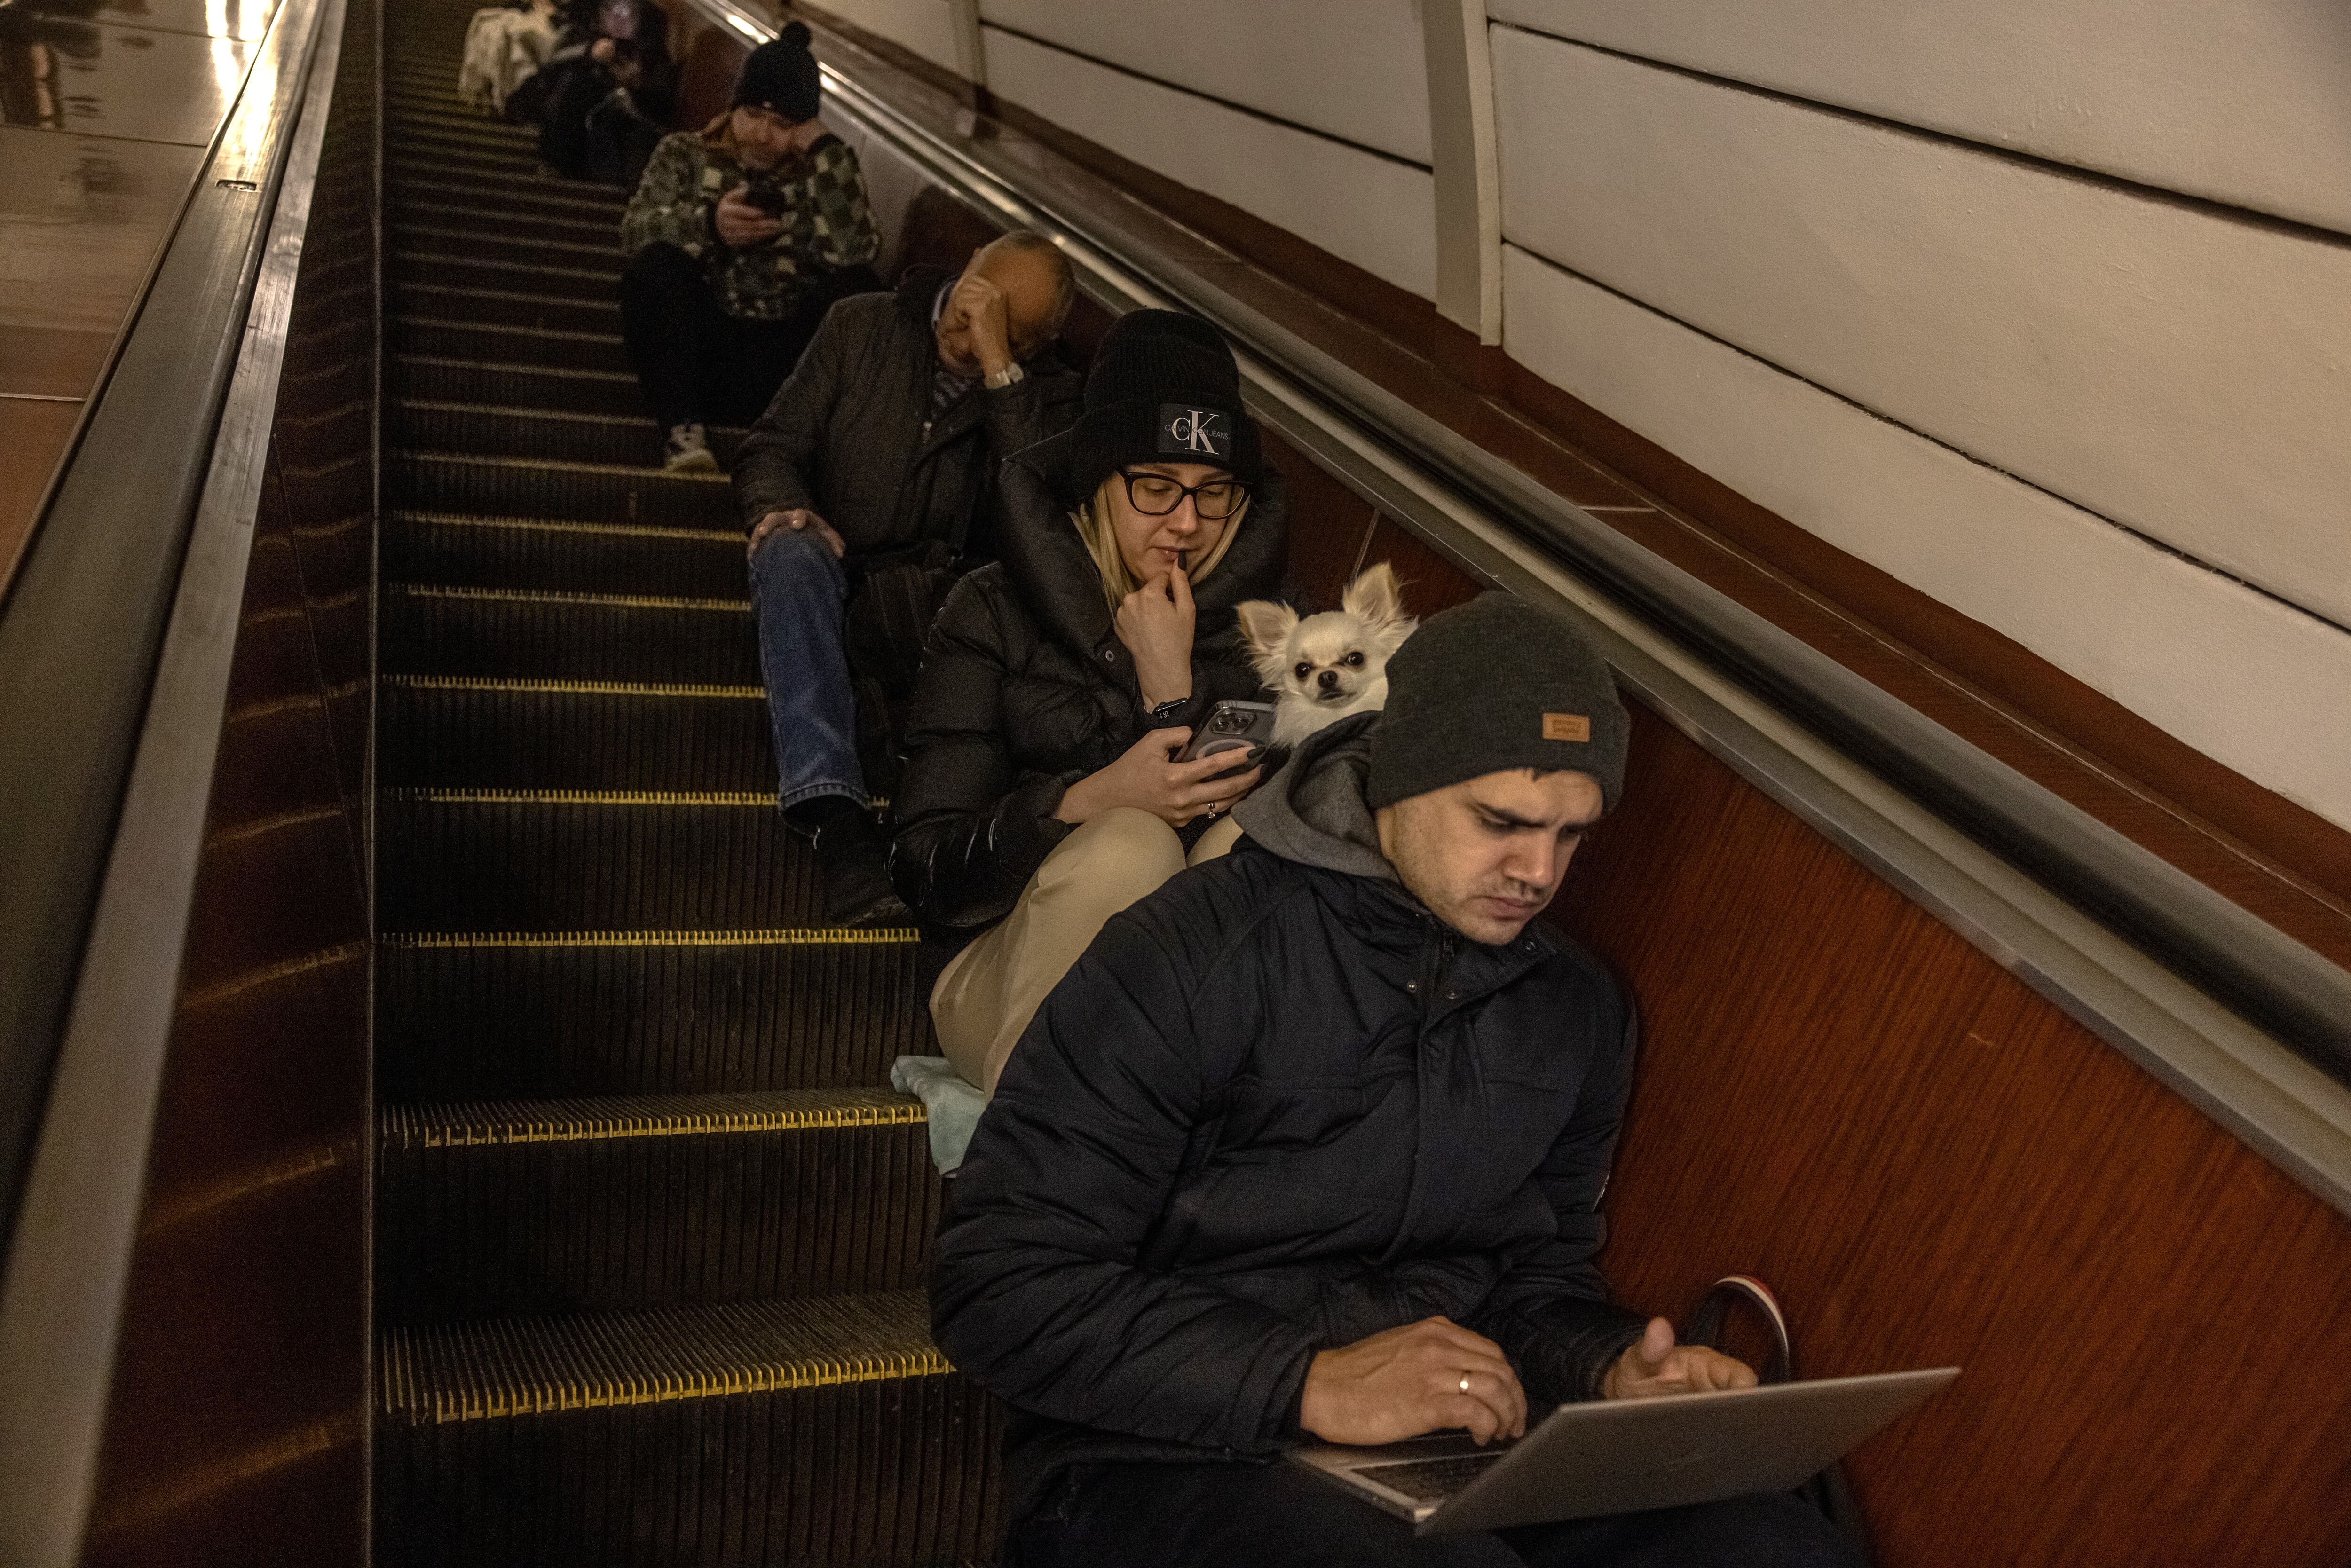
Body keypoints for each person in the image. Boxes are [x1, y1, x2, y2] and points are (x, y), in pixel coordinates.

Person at [931, 594, 1867, 1568]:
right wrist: (1309, 1380)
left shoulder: (1578, 1008)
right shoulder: (1193, 949)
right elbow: (1001, 1283)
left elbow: (1531, 1276)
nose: (1536, 871)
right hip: (1163, 1441)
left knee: (1776, 1545)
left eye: (1571, 833)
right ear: (1399, 775)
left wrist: (1608, 1365)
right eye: (1499, 820)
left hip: (1451, 1437)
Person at [889, 309, 1289, 1093]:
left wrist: (1172, 692)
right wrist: (1086, 800)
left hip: (1177, 1019)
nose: (1187, 523)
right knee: (1127, 844)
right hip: (1002, 975)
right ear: (1097, 485)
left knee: (1253, 842)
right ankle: (1043, 1157)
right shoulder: (993, 608)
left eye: (1214, 495)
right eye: (1155, 487)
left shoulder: (1279, 635)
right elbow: (925, 865)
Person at [733, 231, 1084, 925]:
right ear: (967, 265)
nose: (970, 319)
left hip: (936, 596)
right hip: (831, 561)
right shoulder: (862, 323)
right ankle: (834, 815)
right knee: (787, 550)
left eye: (1003, 321)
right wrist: (783, 505)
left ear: (1033, 345)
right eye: (974, 294)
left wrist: (999, 376)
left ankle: (946, 857)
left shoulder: (1047, 399)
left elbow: (1035, 523)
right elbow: (773, 445)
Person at [619, 24, 880, 473]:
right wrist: (710, 225)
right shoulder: (685, 154)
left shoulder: (819, 175)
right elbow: (635, 232)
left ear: (803, 128)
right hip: (702, 348)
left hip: (782, 362)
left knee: (860, 290)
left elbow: (857, 249)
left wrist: (826, 150)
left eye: (782, 124)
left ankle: (813, 454)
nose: (763, 135)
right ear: (733, 108)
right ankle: (684, 433)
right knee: (655, 265)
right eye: (753, 116)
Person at [529, 0, 673, 186]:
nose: (620, 17)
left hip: (622, 146)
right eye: (612, 9)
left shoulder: (652, 47)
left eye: (628, 9)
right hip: (576, 143)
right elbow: (549, 78)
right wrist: (592, 58)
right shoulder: (581, 28)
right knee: (576, 83)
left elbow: (661, 108)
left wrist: (636, 83)